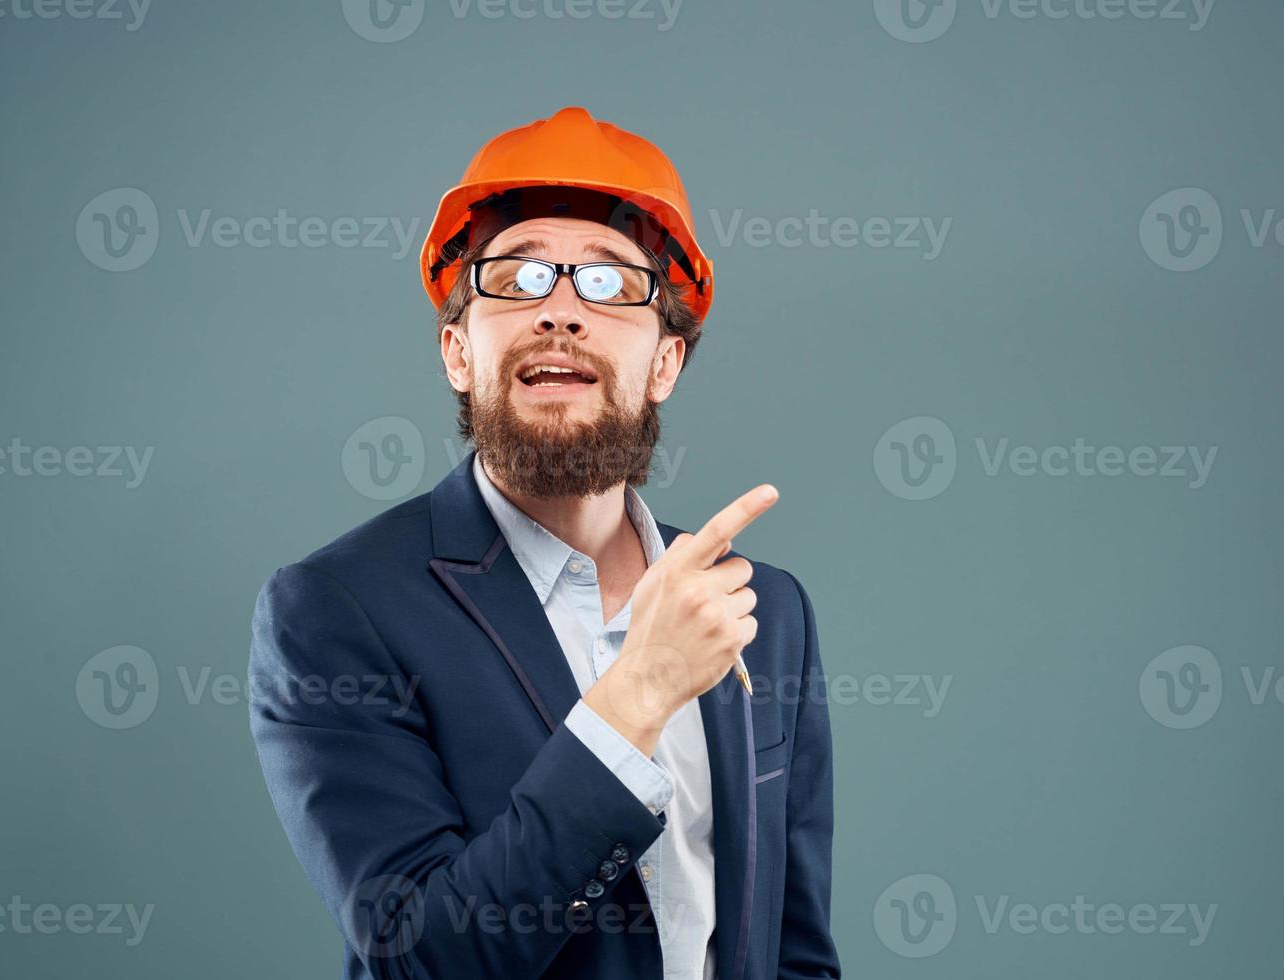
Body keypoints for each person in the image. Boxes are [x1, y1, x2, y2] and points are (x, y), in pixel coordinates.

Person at [248, 106, 841, 980]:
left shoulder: (763, 608)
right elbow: (422, 956)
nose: (560, 311)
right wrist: (638, 693)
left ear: (665, 365)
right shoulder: (334, 612)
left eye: (608, 284)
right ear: (458, 352)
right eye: (518, 278)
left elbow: (794, 951)